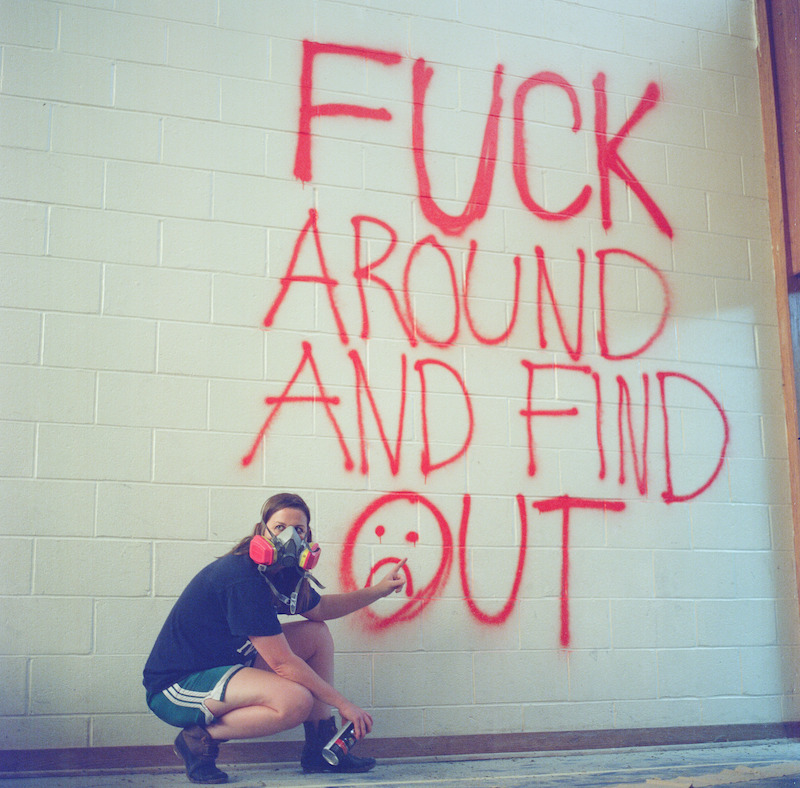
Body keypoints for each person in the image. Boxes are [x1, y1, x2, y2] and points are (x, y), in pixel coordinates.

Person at [143, 492, 407, 784]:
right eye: (280, 527)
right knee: (295, 700)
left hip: (226, 666)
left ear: (308, 537)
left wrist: (379, 590)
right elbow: (283, 664)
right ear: (262, 532)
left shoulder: (282, 572)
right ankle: (196, 741)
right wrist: (343, 704)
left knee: (315, 634)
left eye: (299, 529)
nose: (290, 536)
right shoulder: (242, 576)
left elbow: (321, 609)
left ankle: (321, 750)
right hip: (179, 684)